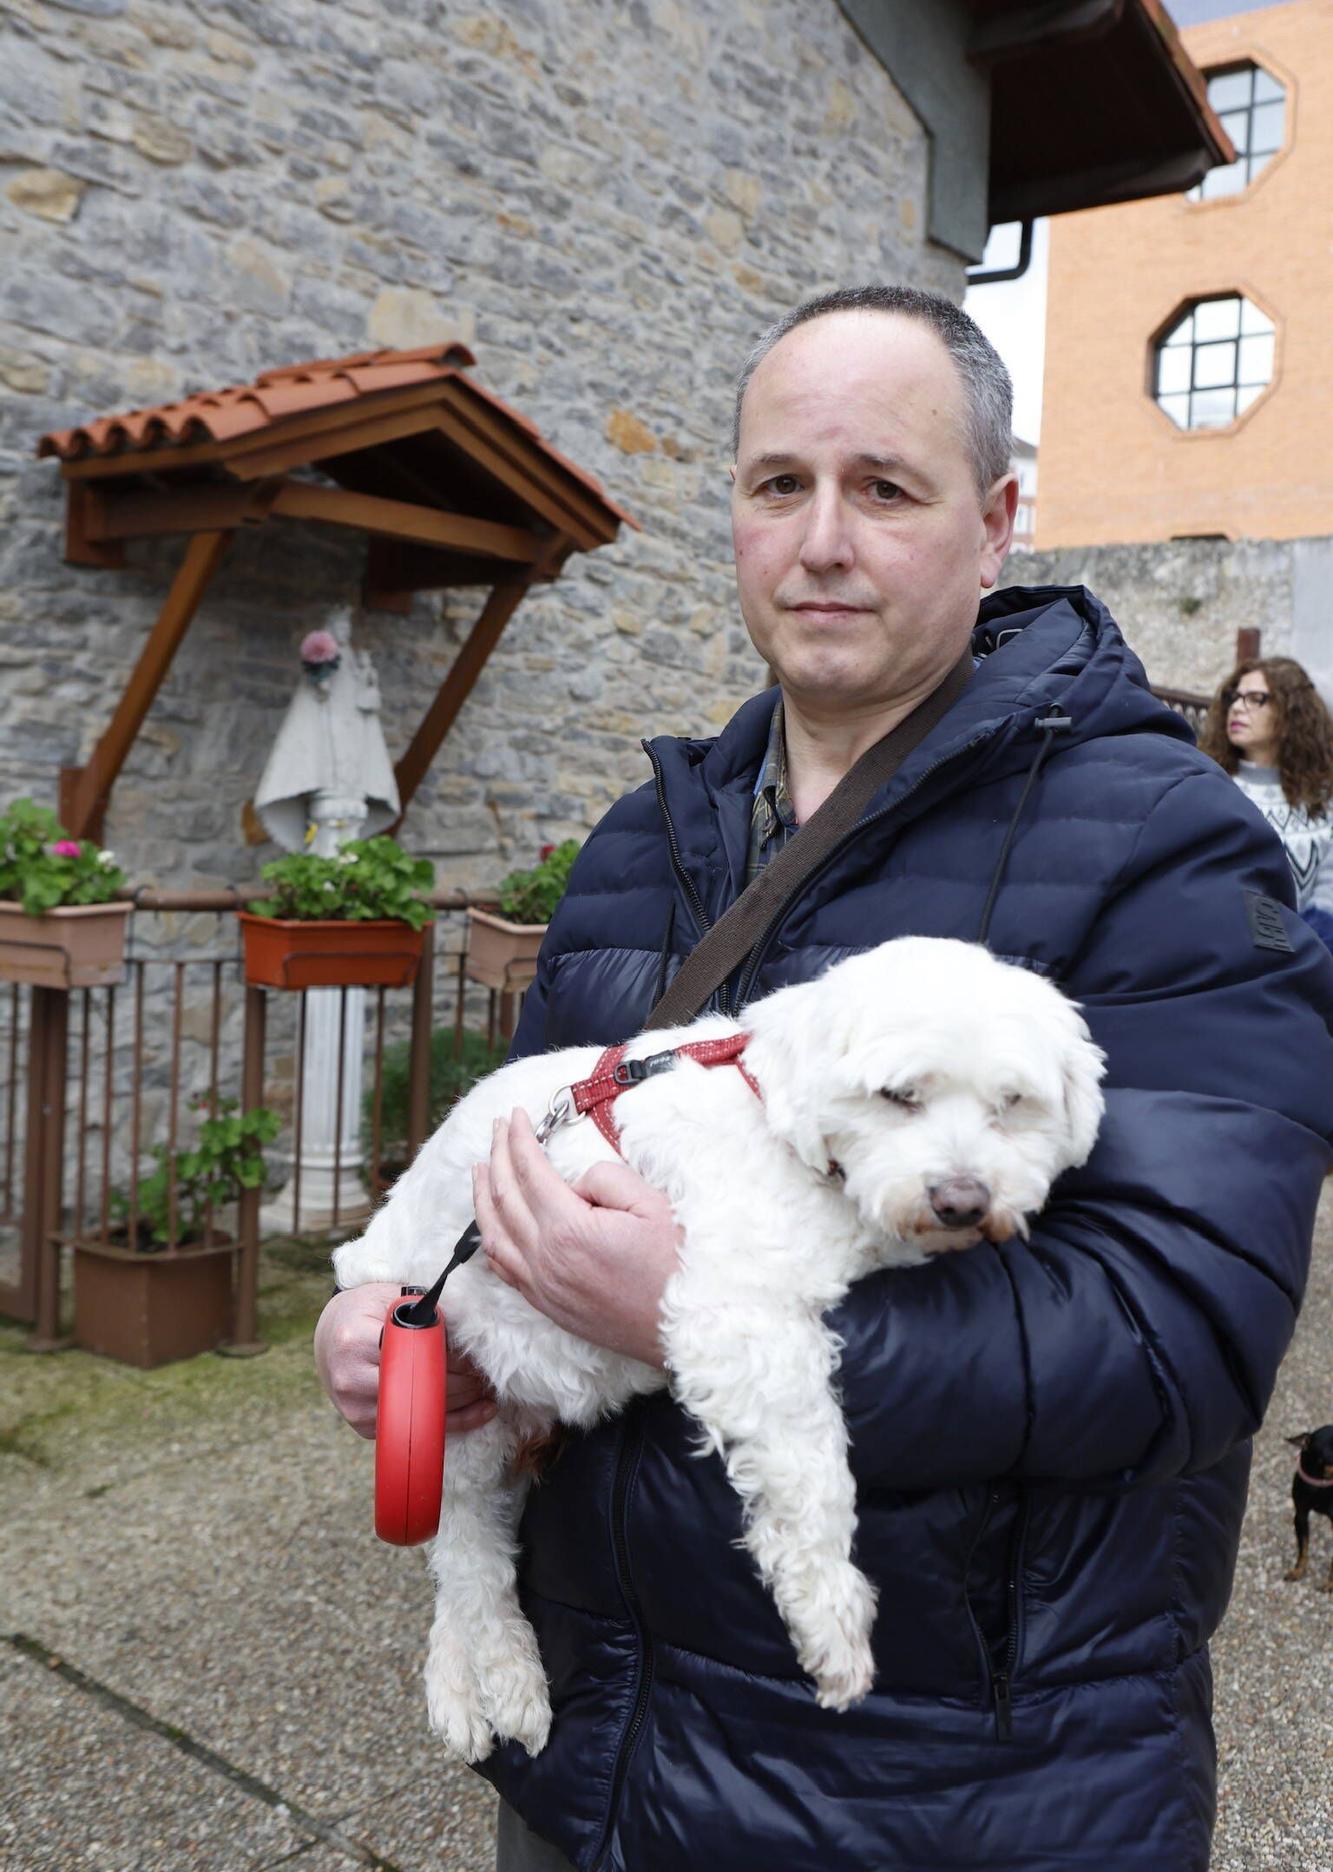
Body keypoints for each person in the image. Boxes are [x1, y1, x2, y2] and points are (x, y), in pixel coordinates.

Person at [316, 286, 1333, 1872]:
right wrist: (411, 1324)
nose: (821, 540)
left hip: (950, 1793)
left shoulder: (1170, 849)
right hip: (594, 1766)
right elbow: (516, 1186)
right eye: (778, 484)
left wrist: (689, 1310)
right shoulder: (641, 845)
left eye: (885, 487)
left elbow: (1178, 1336)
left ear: (995, 523)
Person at [1200, 655, 1333, 956]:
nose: (1237, 706)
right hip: (1220, 954)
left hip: (1305, 959)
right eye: (1234, 697)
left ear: (1291, 712)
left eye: (1255, 699)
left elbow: (1328, 892)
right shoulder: (1208, 784)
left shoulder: (1323, 796)